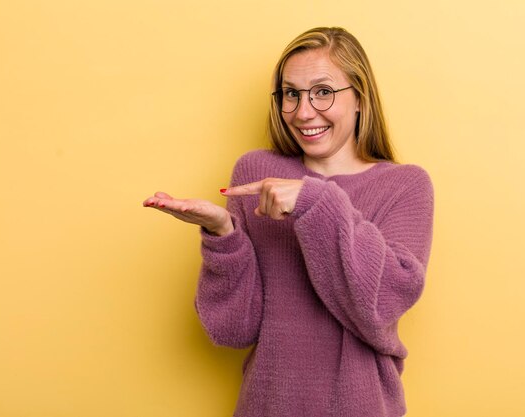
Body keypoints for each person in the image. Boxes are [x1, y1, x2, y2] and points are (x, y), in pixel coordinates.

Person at [143, 26, 434, 417]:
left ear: (361, 98)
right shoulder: (256, 172)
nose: (303, 112)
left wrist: (315, 199)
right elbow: (233, 330)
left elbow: (380, 305)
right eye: (291, 94)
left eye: (323, 92)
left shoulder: (405, 185)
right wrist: (222, 234)